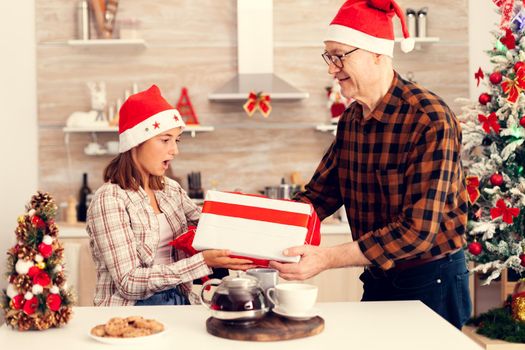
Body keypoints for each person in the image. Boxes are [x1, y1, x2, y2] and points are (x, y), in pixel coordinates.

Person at [269, 0, 471, 329]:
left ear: (376, 54)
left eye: (339, 56)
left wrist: (326, 258)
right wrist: (260, 230)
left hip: (431, 282)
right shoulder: (351, 119)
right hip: (378, 278)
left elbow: (417, 232)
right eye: (328, 57)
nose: (331, 69)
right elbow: (318, 197)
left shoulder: (429, 119)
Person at [87, 85, 255, 306]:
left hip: (179, 300)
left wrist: (239, 214)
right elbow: (128, 282)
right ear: (135, 142)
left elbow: (208, 224)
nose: (174, 150)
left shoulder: (170, 189)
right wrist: (202, 262)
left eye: (176, 140)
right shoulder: (110, 199)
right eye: (165, 140)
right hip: (132, 310)